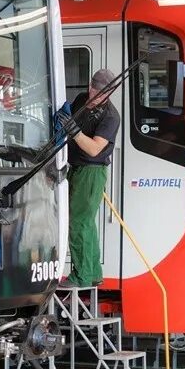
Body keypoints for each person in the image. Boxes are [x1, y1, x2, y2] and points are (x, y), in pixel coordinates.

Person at [60, 69, 120, 288]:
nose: (93, 96)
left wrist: (74, 132)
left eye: (99, 93)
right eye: (91, 89)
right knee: (86, 223)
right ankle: (93, 273)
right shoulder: (82, 99)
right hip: (75, 167)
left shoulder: (111, 117)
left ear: (108, 94)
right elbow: (70, 117)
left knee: (78, 222)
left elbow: (94, 149)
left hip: (91, 171)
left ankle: (82, 276)